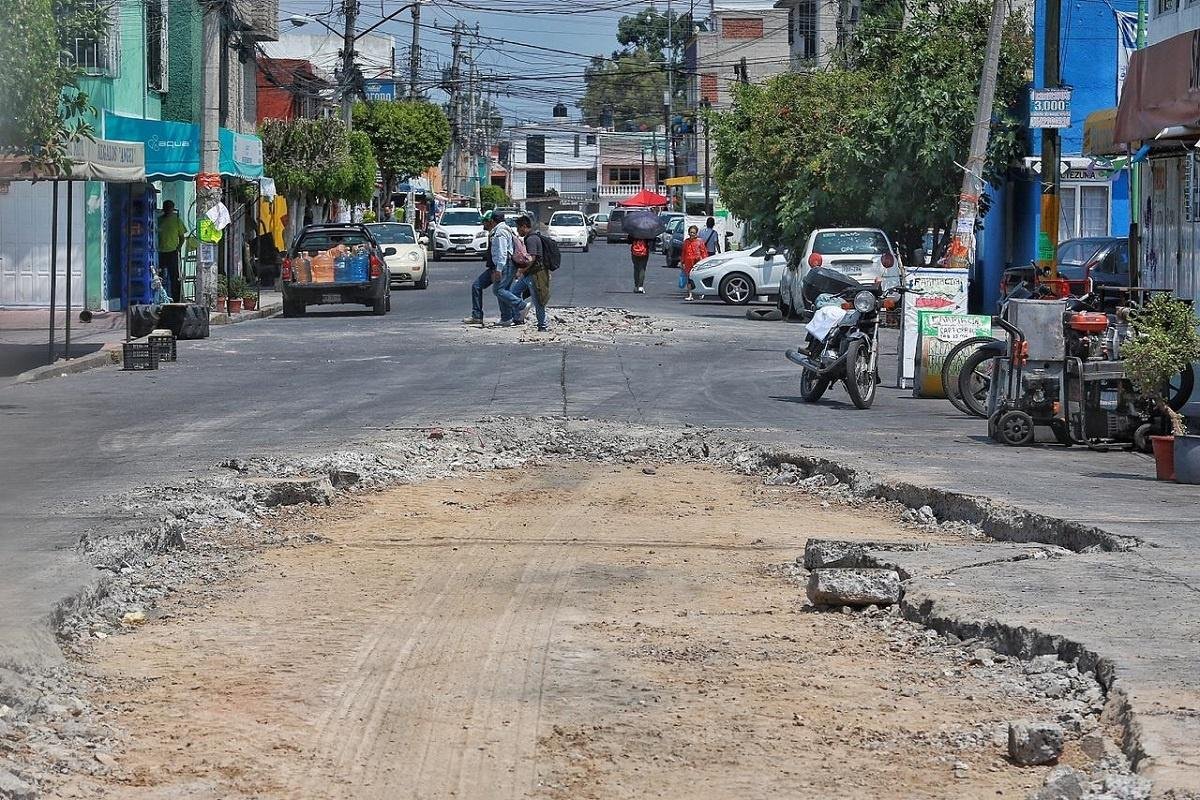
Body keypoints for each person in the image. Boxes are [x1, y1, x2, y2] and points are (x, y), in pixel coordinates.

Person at [465, 210, 517, 326]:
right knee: (495, 290)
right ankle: (506, 317)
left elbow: (502, 253)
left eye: (485, 222)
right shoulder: (495, 232)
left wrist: (498, 269)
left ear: (491, 221)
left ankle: (519, 307)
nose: (483, 225)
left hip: (501, 265)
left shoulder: (500, 232)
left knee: (499, 291)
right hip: (497, 266)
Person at [503, 215, 550, 331]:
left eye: (518, 228)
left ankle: (542, 325)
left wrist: (521, 271)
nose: (518, 231)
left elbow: (532, 258)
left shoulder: (531, 239)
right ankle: (519, 317)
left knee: (538, 300)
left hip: (535, 275)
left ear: (524, 227)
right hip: (529, 274)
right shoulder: (530, 237)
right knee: (514, 292)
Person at [157, 200, 188, 303]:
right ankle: (160, 298)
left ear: (172, 208)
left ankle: (177, 299)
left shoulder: (177, 220)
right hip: (160, 252)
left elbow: (182, 238)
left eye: (169, 207)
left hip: (172, 252)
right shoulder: (159, 220)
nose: (167, 209)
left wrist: (178, 249)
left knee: (174, 277)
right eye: (166, 207)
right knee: (159, 276)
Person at [680, 225, 707, 302]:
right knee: (689, 279)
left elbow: (703, 252)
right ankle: (690, 294)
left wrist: (704, 261)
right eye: (691, 232)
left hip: (697, 262)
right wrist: (682, 262)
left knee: (698, 277)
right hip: (688, 262)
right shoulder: (686, 242)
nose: (692, 234)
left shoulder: (700, 241)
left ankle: (701, 293)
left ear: (696, 233)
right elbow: (683, 252)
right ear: (688, 233)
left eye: (694, 233)